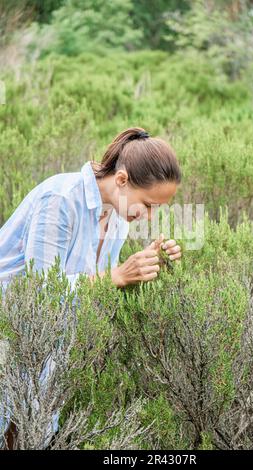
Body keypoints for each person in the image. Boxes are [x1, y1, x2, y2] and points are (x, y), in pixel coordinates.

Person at [0, 126, 182, 449]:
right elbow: (38, 292)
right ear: (123, 180)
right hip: (10, 332)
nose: (150, 217)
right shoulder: (60, 201)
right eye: (148, 204)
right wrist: (117, 276)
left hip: (46, 346)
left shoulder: (117, 221)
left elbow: (92, 291)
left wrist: (150, 264)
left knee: (30, 429)